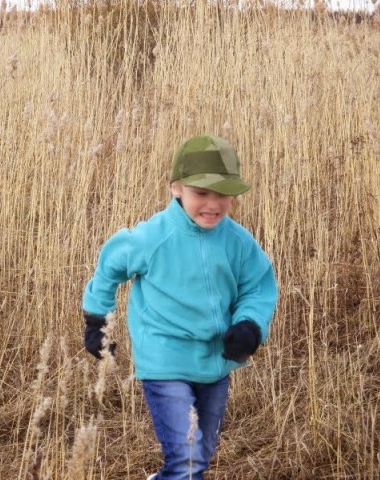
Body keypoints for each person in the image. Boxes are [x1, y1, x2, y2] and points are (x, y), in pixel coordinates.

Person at [82, 134, 278, 480]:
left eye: (222, 194)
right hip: (164, 360)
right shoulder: (153, 237)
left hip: (215, 363)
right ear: (176, 188)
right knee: (188, 461)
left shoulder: (238, 241)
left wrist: (249, 324)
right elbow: (110, 265)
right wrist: (98, 321)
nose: (212, 204)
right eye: (201, 193)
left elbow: (258, 286)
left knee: (200, 455)